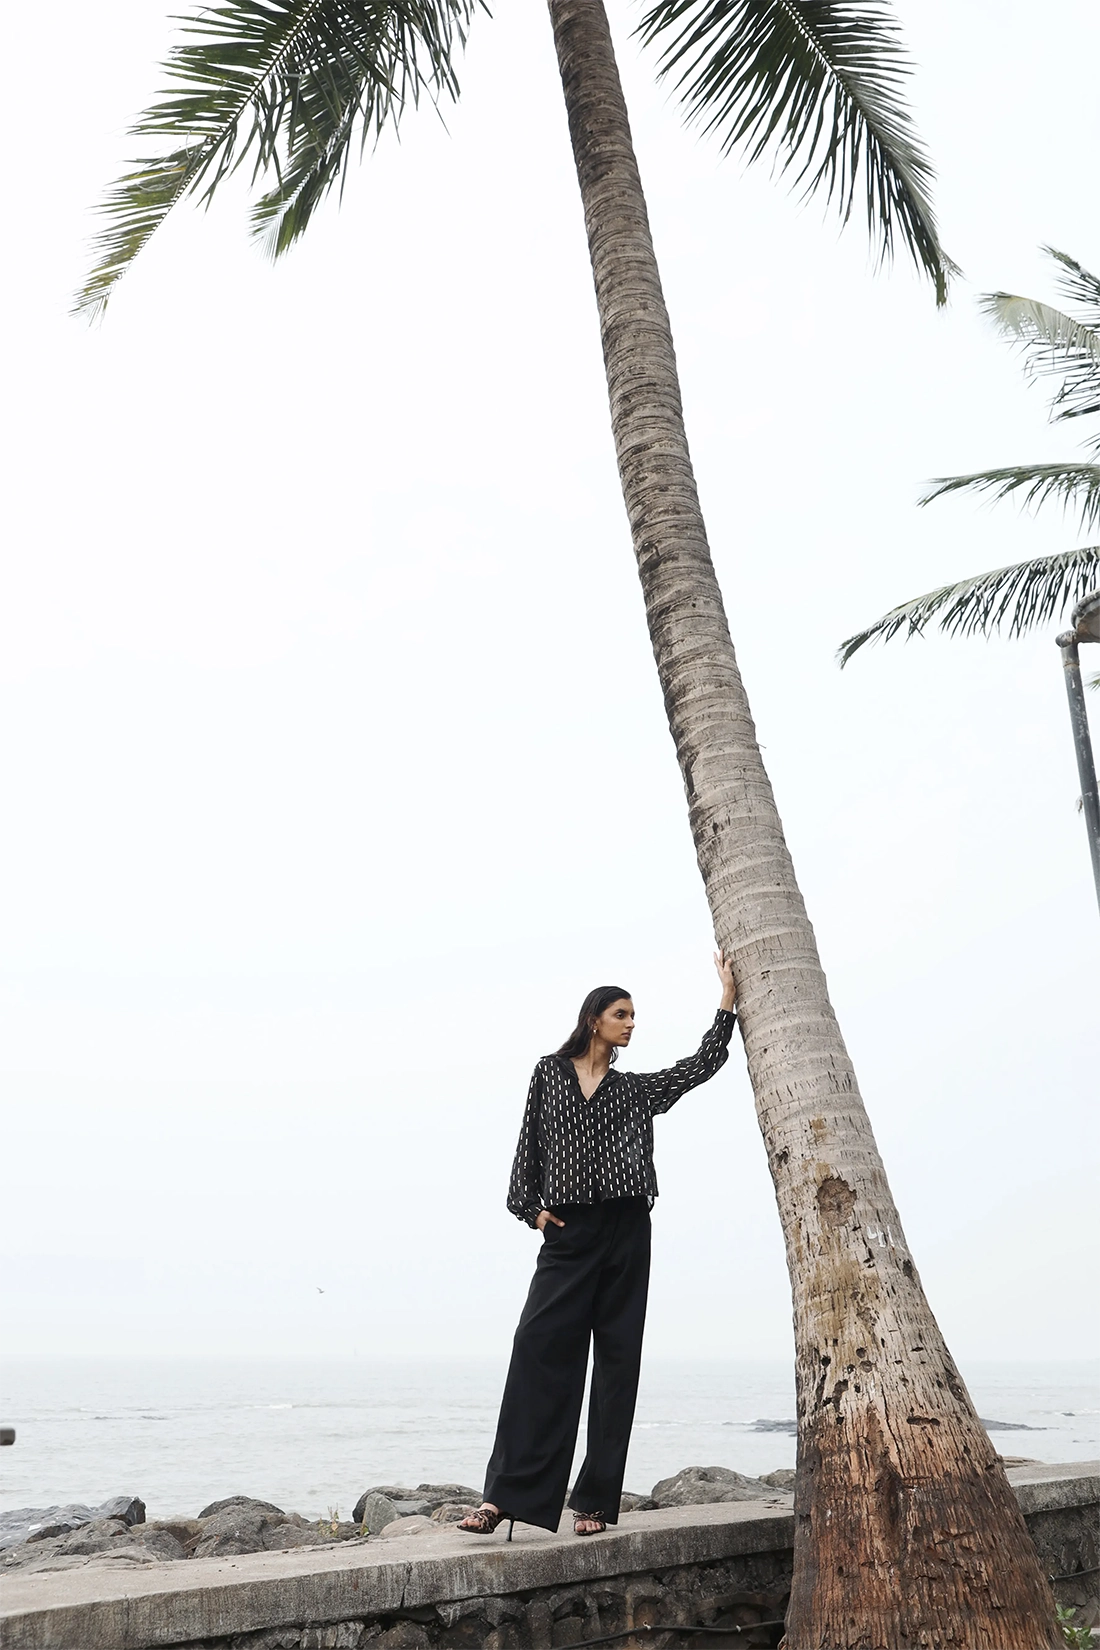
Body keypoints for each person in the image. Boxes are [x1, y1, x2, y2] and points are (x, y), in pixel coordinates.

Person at [458, 952, 738, 1542]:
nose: (632, 1023)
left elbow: (700, 1066)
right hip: (567, 1233)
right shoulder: (548, 1074)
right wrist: (529, 1208)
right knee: (535, 1350)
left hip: (626, 1230)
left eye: (634, 1015)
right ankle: (503, 1498)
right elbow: (526, 1148)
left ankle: (594, 1502)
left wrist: (726, 1002)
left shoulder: (635, 1091)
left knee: (615, 1363)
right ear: (594, 1019)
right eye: (622, 1014)